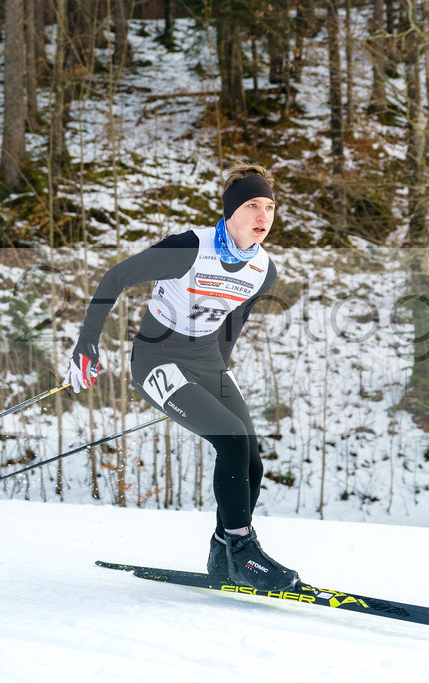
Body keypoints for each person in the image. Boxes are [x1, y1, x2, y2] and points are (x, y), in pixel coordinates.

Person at [64, 163, 300, 592]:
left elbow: (236, 316)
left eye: (269, 206)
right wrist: (87, 344)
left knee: (250, 460)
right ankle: (244, 552)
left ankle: (222, 552)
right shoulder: (191, 248)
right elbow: (116, 277)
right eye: (252, 206)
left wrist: (218, 373)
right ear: (231, 212)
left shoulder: (263, 270)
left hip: (207, 360)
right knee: (229, 438)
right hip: (158, 358)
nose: (263, 216)